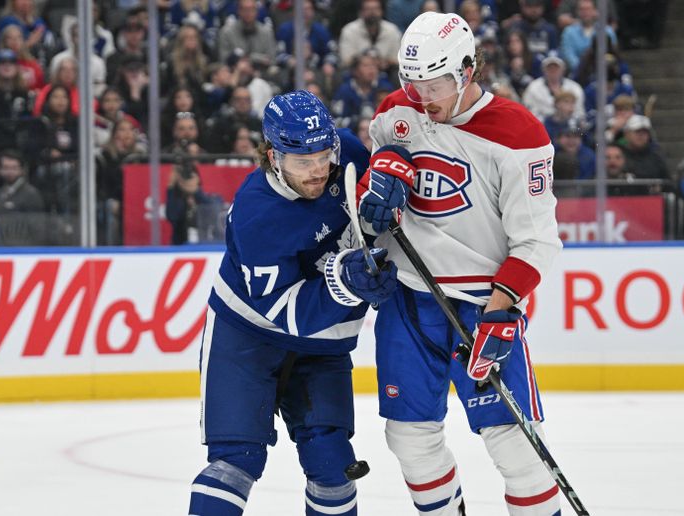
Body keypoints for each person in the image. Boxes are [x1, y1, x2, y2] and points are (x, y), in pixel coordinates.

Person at [360, 12, 563, 516]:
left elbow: (537, 242)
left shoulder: (518, 135)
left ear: (468, 70)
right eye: (413, 83)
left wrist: (500, 310)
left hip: (481, 303)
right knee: (408, 438)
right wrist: (375, 189)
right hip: (409, 298)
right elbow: (370, 207)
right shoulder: (394, 115)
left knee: (514, 445)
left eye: (436, 83)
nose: (424, 97)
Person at [188, 90, 399, 516]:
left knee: (332, 462)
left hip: (323, 346)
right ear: (273, 156)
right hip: (245, 336)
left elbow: (386, 173)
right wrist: (348, 281)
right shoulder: (255, 215)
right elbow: (287, 313)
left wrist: (395, 186)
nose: (319, 170)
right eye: (304, 162)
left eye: (324, 156)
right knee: (236, 461)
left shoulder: (348, 155)